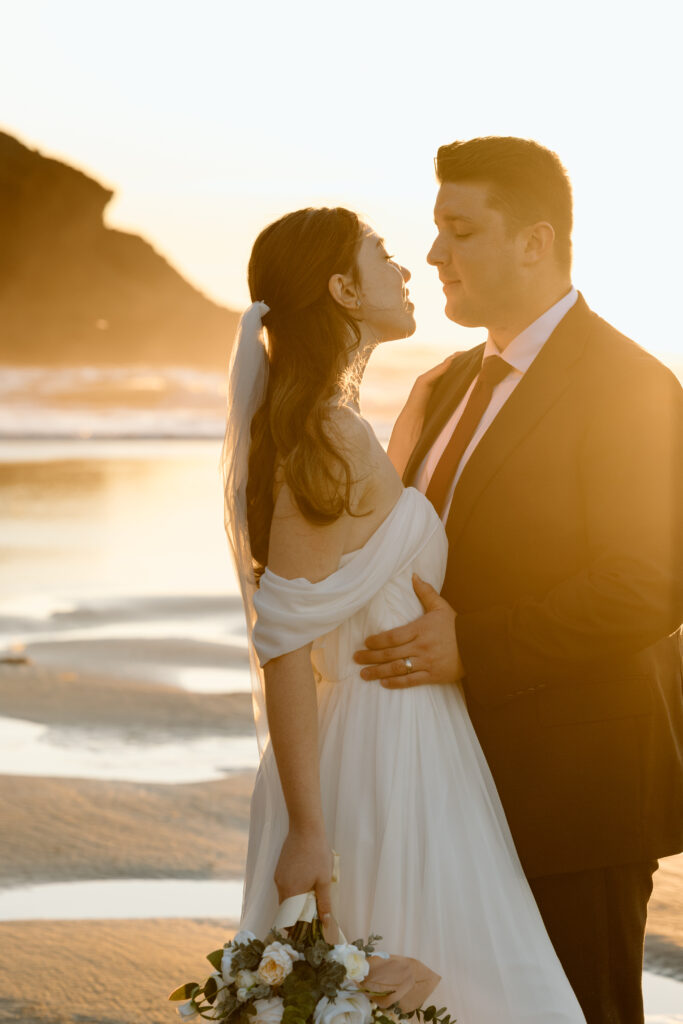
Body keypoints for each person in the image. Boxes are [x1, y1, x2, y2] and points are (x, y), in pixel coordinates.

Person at [222, 206, 586, 1022]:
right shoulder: (324, 434)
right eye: (382, 255)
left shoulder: (337, 426)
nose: (410, 265)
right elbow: (284, 645)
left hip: (409, 743)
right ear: (344, 288)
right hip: (378, 759)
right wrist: (310, 829)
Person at [353, 137, 683, 1024]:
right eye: (434, 230)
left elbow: (651, 581)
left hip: (574, 789)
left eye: (458, 229)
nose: (433, 256)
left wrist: (474, 644)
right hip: (438, 773)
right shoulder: (444, 383)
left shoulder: (631, 385)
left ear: (534, 242)